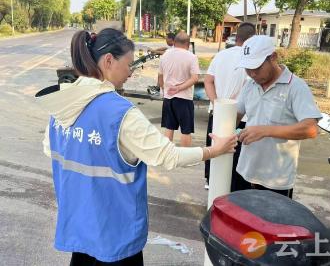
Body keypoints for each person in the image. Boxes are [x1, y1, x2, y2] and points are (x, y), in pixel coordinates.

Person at [35, 28, 237, 266]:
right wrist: (215, 150)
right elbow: (167, 155)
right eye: (129, 64)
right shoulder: (119, 113)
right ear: (109, 60)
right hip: (114, 235)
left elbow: (52, 150)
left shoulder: (60, 105)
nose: (131, 72)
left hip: (80, 229)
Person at [235, 35, 321, 198]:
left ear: (273, 57)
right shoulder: (250, 85)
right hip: (245, 170)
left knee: (271, 223)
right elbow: (237, 114)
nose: (252, 73)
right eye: (247, 68)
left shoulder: (296, 87)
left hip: (275, 180)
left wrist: (265, 131)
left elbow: (310, 129)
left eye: (257, 67)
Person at [203, 22, 256, 190]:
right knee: (237, 164)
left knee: (215, 155)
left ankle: (211, 186)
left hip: (218, 115)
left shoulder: (221, 56)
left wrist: (217, 103)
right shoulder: (251, 60)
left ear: (236, 37)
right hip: (242, 119)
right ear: (252, 38)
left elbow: (208, 81)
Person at [158, 31, 199, 147]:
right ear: (188, 44)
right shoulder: (192, 57)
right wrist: (179, 88)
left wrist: (164, 90)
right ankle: (185, 158)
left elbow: (160, 77)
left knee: (169, 128)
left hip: (168, 98)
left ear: (174, 42)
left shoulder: (165, 55)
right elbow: (195, 78)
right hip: (184, 99)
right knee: (186, 131)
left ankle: (166, 155)